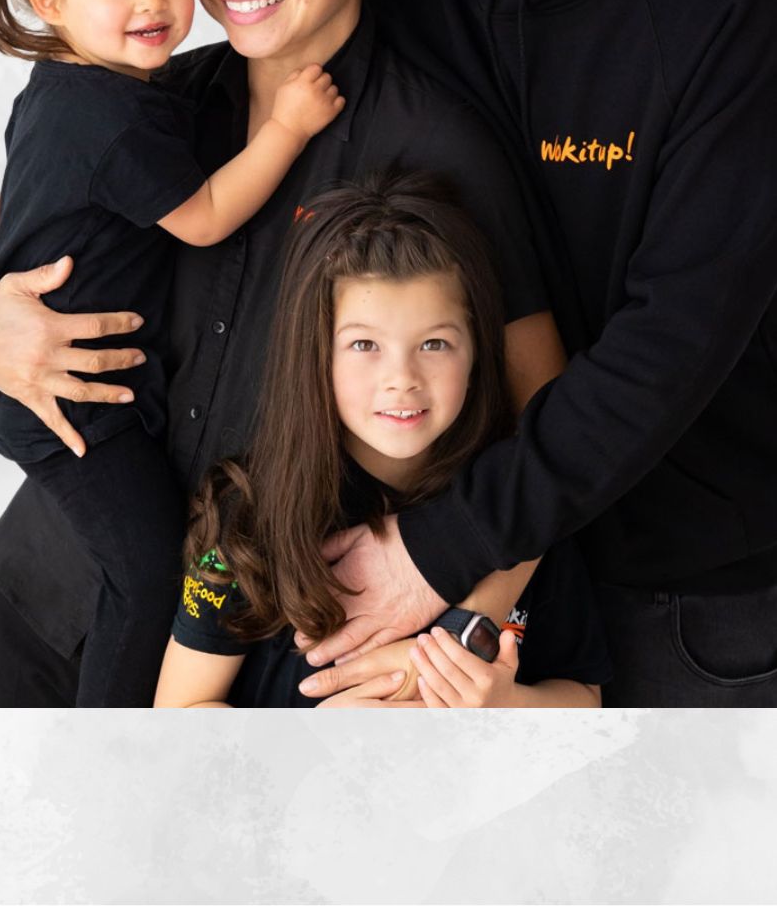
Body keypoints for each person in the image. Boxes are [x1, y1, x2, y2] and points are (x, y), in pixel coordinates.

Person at [0, 0, 562, 706]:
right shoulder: (149, 106)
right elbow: (19, 308)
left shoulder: (438, 144)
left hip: (263, 652)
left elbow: (550, 420)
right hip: (54, 592)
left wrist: (470, 624)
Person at [298, 0, 777, 707]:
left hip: (692, 598)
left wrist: (438, 550)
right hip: (465, 594)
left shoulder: (734, 0)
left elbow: (677, 334)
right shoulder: (405, 4)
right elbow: (263, 107)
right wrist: (55, 205)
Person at [0, 0, 343, 706]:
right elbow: (206, 217)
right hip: (75, 408)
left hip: (73, 395)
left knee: (141, 565)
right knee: (144, 577)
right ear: (48, 1)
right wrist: (286, 128)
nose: (152, 1)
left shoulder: (75, 87)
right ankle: (117, 738)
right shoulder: (109, 115)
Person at [154, 173, 608, 708]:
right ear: (316, 353)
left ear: (477, 354)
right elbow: (179, 715)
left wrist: (504, 706)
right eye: (364, 344)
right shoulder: (249, 513)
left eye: (434, 343)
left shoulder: (512, 501)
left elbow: (585, 698)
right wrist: (305, 740)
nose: (402, 378)